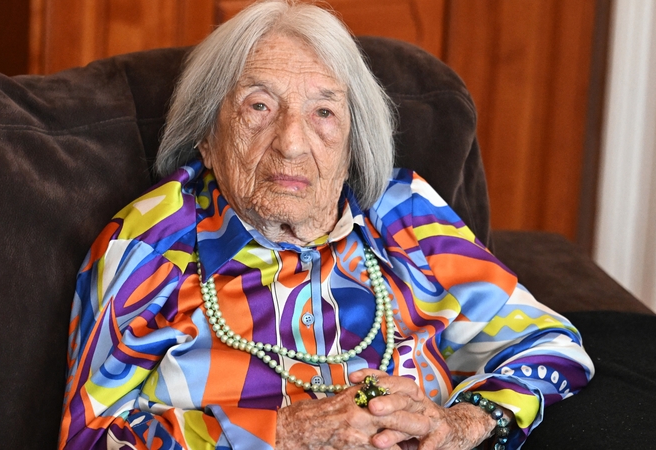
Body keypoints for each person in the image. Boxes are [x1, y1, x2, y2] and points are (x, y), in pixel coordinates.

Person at [58, 1, 594, 449]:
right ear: (206, 136)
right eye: (259, 106)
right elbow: (87, 437)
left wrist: (458, 424)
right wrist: (283, 433)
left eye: (323, 112)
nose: (292, 142)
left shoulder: (403, 214)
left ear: (352, 141)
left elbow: (551, 345)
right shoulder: (152, 243)